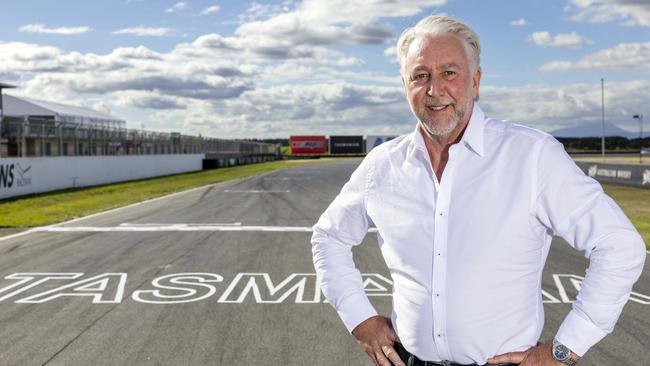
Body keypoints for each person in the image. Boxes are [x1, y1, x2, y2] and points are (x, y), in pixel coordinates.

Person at [311, 14, 646, 366]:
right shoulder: (383, 165)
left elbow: (619, 246)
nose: (434, 90)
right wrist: (359, 318)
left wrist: (565, 348)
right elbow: (328, 237)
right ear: (405, 84)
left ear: (476, 81)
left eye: (449, 73)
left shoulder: (532, 155)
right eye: (420, 75)